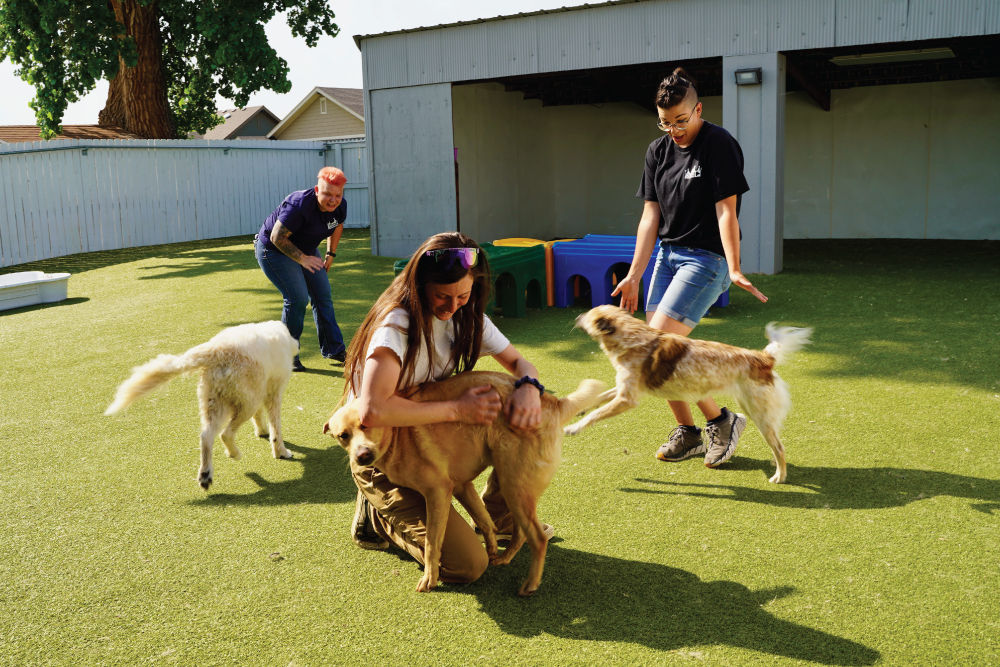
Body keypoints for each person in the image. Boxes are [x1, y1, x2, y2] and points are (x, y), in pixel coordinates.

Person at [343, 232, 552, 584]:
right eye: (442, 295)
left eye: (463, 295)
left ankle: (499, 519)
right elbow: (373, 412)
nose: (451, 305)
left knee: (514, 422)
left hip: (424, 432)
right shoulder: (395, 326)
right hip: (381, 450)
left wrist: (530, 387)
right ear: (420, 285)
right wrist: (458, 410)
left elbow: (520, 363)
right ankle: (376, 517)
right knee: (466, 566)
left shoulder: (466, 316)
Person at [611, 67, 769, 469]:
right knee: (657, 356)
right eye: (665, 123)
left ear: (698, 109)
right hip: (667, 256)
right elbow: (650, 218)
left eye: (682, 120)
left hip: (706, 259)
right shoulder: (657, 151)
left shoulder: (719, 144)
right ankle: (690, 433)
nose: (674, 130)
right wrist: (634, 273)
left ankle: (721, 421)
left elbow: (726, 210)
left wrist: (733, 266)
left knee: (659, 349)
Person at [255, 167, 348, 371]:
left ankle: (334, 348)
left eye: (337, 195)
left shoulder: (340, 207)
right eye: (327, 194)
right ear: (317, 190)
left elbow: (337, 225)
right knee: (297, 298)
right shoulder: (299, 205)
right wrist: (303, 259)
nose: (333, 200)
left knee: (322, 295)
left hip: (306, 250)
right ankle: (285, 355)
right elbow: (277, 237)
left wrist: (330, 254)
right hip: (274, 250)